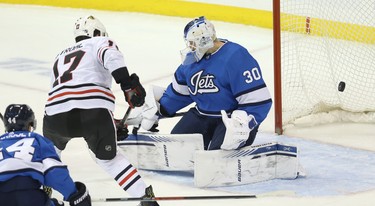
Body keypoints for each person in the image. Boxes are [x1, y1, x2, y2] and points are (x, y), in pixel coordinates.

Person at [42, 15, 159, 206]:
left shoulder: (59, 56)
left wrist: (110, 124)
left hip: (55, 116)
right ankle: (145, 199)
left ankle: (39, 194)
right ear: (96, 32)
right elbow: (110, 56)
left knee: (48, 156)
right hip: (93, 112)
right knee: (109, 161)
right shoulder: (100, 41)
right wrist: (127, 86)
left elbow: (65, 93)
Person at [139, 16, 272, 151]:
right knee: (176, 146)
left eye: (192, 43)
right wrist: (158, 110)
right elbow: (179, 94)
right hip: (202, 115)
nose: (190, 47)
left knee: (219, 153)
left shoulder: (236, 56)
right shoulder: (190, 63)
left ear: (203, 41)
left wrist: (244, 123)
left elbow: (260, 101)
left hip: (231, 119)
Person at [0, 104, 91, 206]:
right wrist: (74, 194)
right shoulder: (37, 140)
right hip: (30, 196)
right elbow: (54, 172)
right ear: (30, 125)